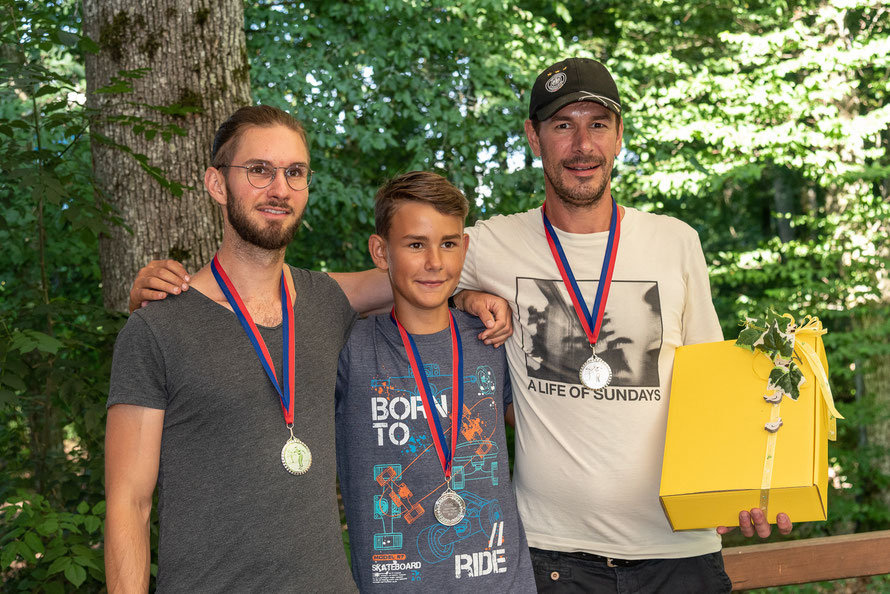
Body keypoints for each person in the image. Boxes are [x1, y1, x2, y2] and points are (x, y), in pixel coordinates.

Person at [449, 57, 792, 592]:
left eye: (598, 125)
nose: (582, 145)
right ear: (534, 139)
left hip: (681, 546)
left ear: (619, 137)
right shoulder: (492, 243)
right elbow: (409, 275)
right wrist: (467, 295)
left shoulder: (675, 241)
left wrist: (748, 485)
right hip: (551, 555)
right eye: (563, 126)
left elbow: (713, 387)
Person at [105, 106, 386, 593]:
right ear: (217, 184)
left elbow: (426, 277)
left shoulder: (328, 300)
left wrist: (468, 295)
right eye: (259, 170)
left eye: (294, 173)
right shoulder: (158, 327)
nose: (279, 188)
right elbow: (128, 503)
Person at [334, 171, 535, 592]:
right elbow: (273, 300)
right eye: (414, 244)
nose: (434, 263)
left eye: (447, 244)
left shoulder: (493, 337)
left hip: (503, 582)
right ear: (381, 251)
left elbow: (553, 429)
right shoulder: (348, 351)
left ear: (464, 249)